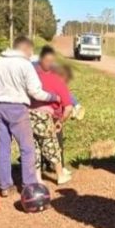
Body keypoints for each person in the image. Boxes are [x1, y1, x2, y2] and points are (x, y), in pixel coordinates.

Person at [0, 36, 59, 197]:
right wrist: (53, 97)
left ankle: (5, 185)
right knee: (28, 148)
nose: (31, 54)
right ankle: (29, 185)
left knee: (3, 147)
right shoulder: (25, 64)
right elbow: (35, 92)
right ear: (26, 49)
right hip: (17, 108)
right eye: (31, 51)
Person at [30, 46, 74, 185]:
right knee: (52, 147)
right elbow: (68, 107)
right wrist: (60, 121)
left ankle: (38, 178)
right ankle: (60, 175)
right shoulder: (57, 80)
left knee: (34, 147)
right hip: (45, 117)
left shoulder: (31, 75)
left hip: (27, 115)